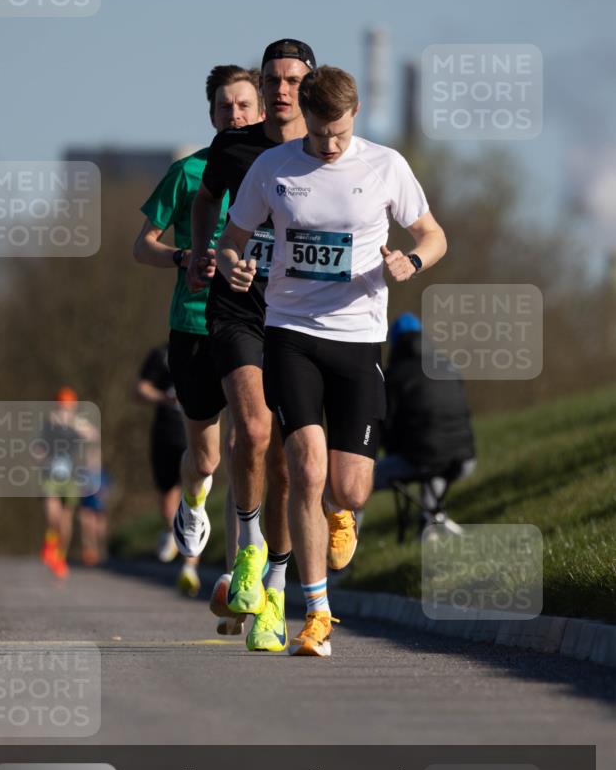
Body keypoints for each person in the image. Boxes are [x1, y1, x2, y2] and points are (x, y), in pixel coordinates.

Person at [216, 65, 448, 656]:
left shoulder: (385, 166)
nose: (331, 146)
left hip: (359, 339)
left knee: (349, 488)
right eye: (320, 135)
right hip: (290, 332)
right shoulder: (274, 167)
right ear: (306, 120)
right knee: (305, 466)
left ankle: (341, 512)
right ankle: (316, 613)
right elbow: (233, 238)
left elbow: (431, 233)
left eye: (340, 134)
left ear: (355, 114)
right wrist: (235, 264)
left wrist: (413, 263)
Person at [189, 39, 338, 654]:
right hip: (237, 308)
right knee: (248, 433)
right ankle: (248, 554)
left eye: (291, 80)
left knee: (283, 462)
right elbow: (205, 201)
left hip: (296, 318)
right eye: (272, 79)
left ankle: (276, 589)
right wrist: (209, 253)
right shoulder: (235, 146)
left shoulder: (331, 150)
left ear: (310, 86)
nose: (280, 91)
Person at [134, 66, 262, 625]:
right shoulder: (188, 173)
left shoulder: (278, 169)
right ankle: (192, 501)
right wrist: (184, 259)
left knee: (247, 453)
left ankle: (239, 593)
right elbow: (143, 246)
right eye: (223, 108)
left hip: (252, 324)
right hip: (191, 324)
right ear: (211, 116)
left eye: (242, 106)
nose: (233, 115)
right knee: (207, 457)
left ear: (260, 110)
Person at [374, 312, 476, 535]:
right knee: (435, 456)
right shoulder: (449, 366)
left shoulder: (394, 376)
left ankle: (341, 557)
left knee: (354, 482)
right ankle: (432, 523)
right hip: (465, 460)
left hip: (422, 460)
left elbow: (385, 427)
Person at [134, 345, 200, 596]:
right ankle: (172, 531)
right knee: (167, 496)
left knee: (196, 498)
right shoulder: (161, 354)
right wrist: (164, 398)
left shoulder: (209, 349)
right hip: (164, 433)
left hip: (193, 434)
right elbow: (140, 389)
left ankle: (190, 567)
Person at [39, 387, 100, 579]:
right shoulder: (48, 423)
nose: (64, 407)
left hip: (72, 476)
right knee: (52, 512)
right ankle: (50, 541)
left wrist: (75, 425)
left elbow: (93, 436)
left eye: (68, 404)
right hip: (50, 474)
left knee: (66, 519)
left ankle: (59, 556)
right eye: (61, 403)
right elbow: (39, 447)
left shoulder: (78, 422)